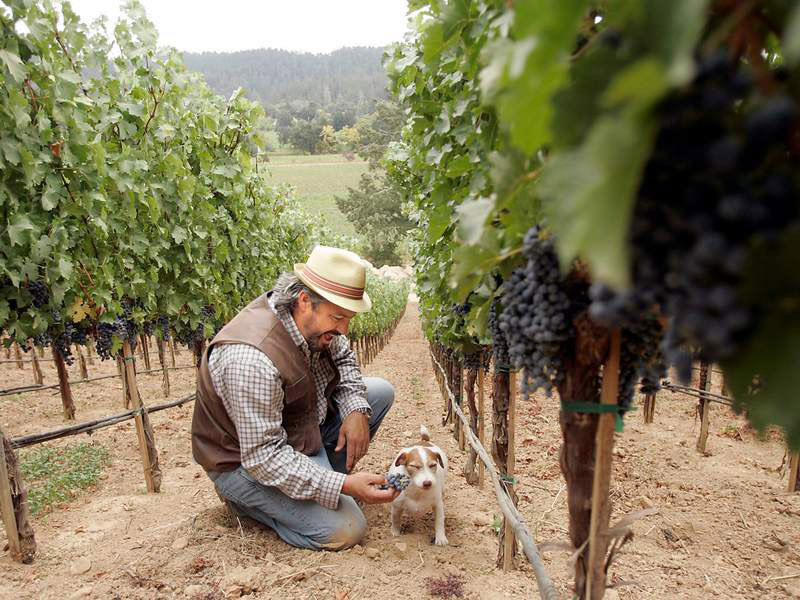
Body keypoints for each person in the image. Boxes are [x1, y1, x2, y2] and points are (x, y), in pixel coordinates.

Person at [191, 245, 399, 551]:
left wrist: (355, 411)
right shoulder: (251, 359)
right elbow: (263, 457)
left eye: (347, 319)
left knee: (378, 392)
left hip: (297, 434)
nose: (343, 329)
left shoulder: (315, 324)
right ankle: (249, 504)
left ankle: (321, 483)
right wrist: (342, 485)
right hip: (245, 465)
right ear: (304, 301)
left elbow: (345, 362)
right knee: (348, 529)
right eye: (338, 317)